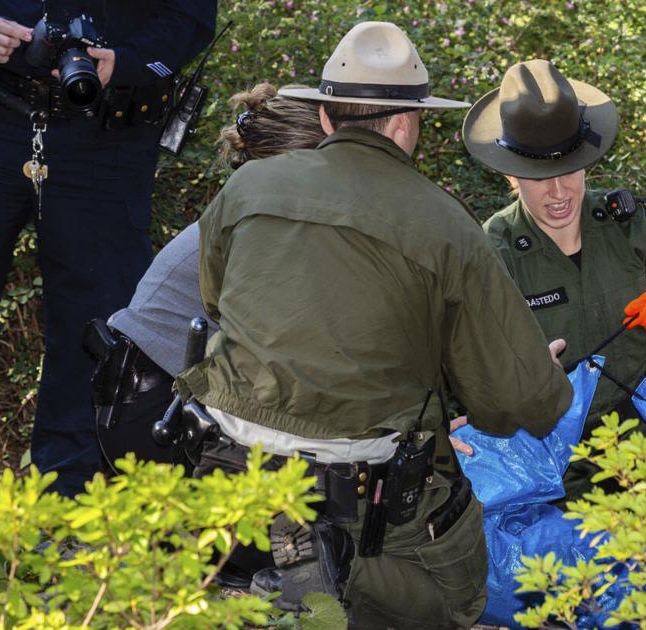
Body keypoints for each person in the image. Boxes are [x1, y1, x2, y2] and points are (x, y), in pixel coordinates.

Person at [172, 22, 573, 627]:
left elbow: (216, 302)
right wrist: (540, 377)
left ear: (327, 118)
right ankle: (338, 569)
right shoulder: (446, 224)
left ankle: (268, 565)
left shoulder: (247, 184)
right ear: (408, 123)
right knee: (456, 590)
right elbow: (519, 402)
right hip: (357, 487)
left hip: (227, 461)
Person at [0, 1, 216, 494]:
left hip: (106, 136)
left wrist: (129, 61)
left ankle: (71, 506)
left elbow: (190, 20)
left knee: (95, 330)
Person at [462, 59, 646, 499]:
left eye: (569, 170)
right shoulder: (494, 250)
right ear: (510, 172)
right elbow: (462, 362)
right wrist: (513, 382)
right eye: (539, 178)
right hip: (561, 451)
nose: (559, 192)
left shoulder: (628, 222)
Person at [90, 83, 324, 471]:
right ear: (301, 161)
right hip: (158, 410)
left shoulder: (254, 205)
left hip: (145, 399)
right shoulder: (264, 220)